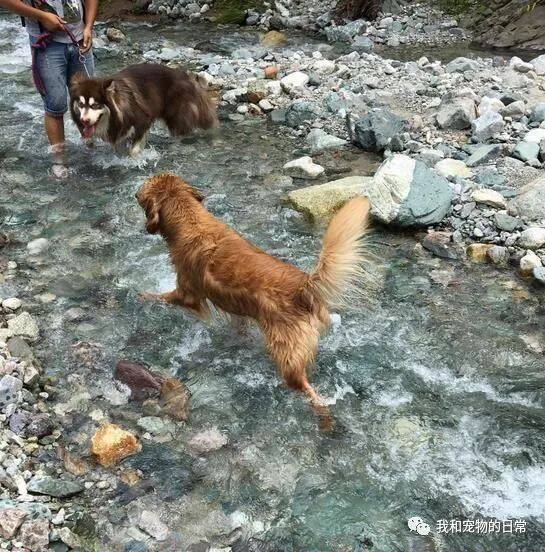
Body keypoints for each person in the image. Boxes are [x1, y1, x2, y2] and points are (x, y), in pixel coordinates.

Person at [0, 0, 98, 178]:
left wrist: (89, 26)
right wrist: (41, 16)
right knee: (55, 104)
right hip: (46, 43)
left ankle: (90, 148)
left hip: (81, 40)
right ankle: (59, 162)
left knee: (88, 100)